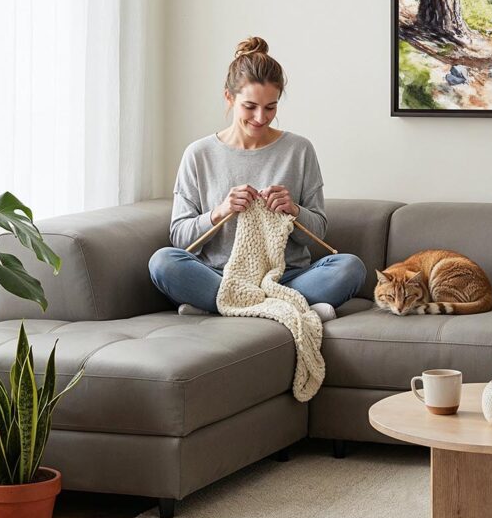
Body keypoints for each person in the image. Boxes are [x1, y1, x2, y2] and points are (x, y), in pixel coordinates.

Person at [148, 37, 366, 323]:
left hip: (285, 277)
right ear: (229, 97)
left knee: (350, 268)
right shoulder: (198, 154)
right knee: (163, 262)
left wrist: (294, 210)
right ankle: (287, 307)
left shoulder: (299, 150)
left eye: (270, 107)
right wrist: (220, 212)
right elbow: (180, 238)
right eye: (250, 106)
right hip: (220, 274)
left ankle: (223, 305)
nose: (261, 118)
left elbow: (319, 231)